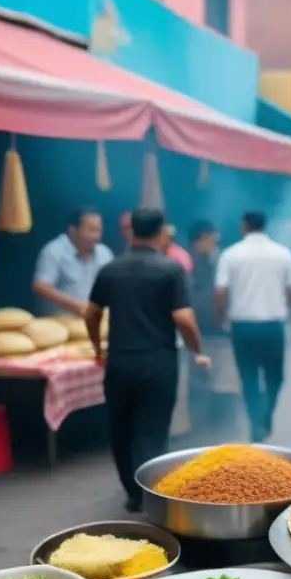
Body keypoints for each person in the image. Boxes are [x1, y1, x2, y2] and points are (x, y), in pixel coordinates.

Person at [86, 208, 211, 513]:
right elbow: (183, 318)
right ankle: (151, 492)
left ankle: (132, 492)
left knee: (122, 428)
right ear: (160, 233)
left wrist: (97, 349)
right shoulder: (169, 270)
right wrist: (197, 350)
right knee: (152, 429)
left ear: (131, 232)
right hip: (158, 362)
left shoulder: (110, 269)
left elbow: (90, 313)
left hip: (119, 361)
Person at [214, 211, 291, 442]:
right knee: (275, 376)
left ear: (244, 226)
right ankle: (265, 415)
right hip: (273, 326)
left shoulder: (230, 254)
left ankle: (256, 419)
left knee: (248, 376)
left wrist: (221, 318)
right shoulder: (283, 254)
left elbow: (220, 291)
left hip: (242, 326)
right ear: (265, 226)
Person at [33, 207, 113, 316]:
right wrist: (75, 305)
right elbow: (40, 286)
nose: (97, 236)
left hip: (95, 321)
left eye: (99, 230)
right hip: (59, 322)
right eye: (92, 230)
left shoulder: (104, 253)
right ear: (73, 230)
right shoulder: (54, 251)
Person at [120, 211, 192, 272]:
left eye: (131, 228)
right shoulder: (124, 256)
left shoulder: (177, 258)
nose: (130, 233)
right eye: (125, 228)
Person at [188, 220, 220, 336]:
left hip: (213, 325)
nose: (214, 246)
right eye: (212, 241)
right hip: (191, 322)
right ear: (201, 239)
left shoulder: (216, 261)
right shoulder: (186, 261)